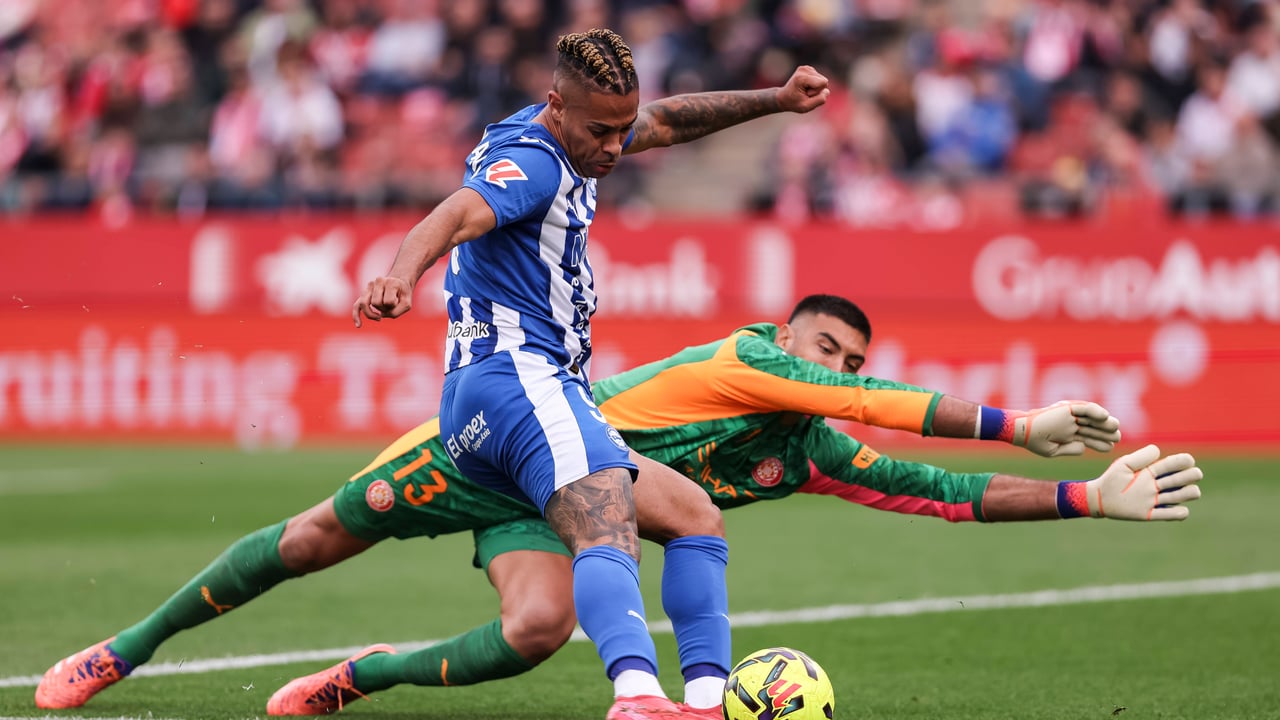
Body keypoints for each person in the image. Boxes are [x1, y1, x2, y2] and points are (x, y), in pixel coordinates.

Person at [35, 295, 1200, 718]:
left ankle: (361, 677)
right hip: (498, 446)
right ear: (786, 339)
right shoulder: (742, 358)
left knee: (537, 631)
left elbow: (937, 493)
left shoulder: (805, 451)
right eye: (824, 350)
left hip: (567, 509)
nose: (836, 370)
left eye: (850, 360)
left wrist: (1083, 498)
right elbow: (883, 410)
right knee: (307, 539)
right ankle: (125, 648)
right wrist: (1011, 417)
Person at [348, 27, 831, 720]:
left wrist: (776, 99)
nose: (614, 147)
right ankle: (636, 697)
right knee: (606, 520)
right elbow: (456, 213)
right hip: (513, 378)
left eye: (621, 129)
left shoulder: (582, 130)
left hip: (525, 389)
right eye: (601, 132)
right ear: (556, 106)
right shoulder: (535, 163)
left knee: (693, 516)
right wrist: (399, 275)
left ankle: (704, 703)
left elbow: (667, 121)